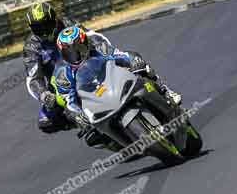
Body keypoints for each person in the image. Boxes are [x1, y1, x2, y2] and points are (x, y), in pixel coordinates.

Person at [53, 27, 182, 135]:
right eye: (69, 53)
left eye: (78, 49)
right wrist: (77, 114)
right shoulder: (63, 74)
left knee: (138, 61)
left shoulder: (99, 47)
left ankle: (165, 90)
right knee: (92, 135)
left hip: (114, 79)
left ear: (86, 44)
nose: (75, 55)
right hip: (94, 100)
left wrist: (134, 62)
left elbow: (120, 55)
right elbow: (69, 100)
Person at [22, 2, 80, 134]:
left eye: (46, 25)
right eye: (38, 28)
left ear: (54, 19)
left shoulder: (67, 24)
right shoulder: (31, 46)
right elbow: (33, 78)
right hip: (60, 84)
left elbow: (92, 37)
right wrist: (43, 93)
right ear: (31, 28)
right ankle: (80, 124)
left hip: (84, 68)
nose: (43, 31)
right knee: (45, 121)